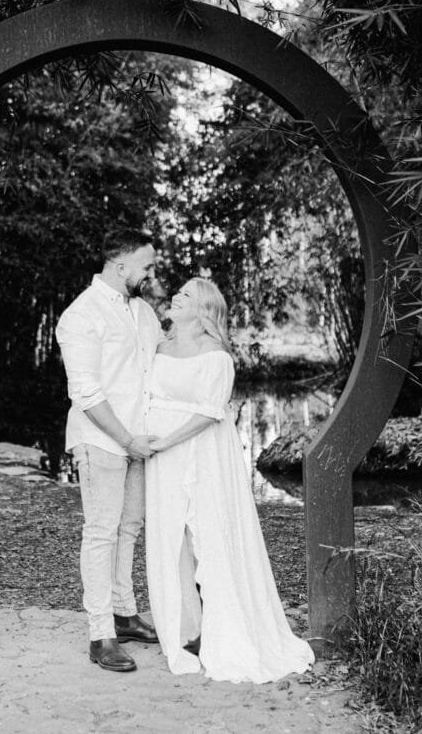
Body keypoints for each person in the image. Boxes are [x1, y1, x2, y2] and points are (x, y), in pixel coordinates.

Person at [144, 277, 315, 683]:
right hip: (160, 461)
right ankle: (188, 629)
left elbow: (209, 412)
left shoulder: (217, 357)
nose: (175, 296)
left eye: (186, 295)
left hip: (202, 454)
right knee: (171, 540)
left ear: (203, 310)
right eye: (178, 292)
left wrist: (164, 441)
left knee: (212, 537)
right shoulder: (159, 347)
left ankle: (227, 629)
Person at [55, 228, 163, 673]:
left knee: (129, 528)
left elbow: (162, 364)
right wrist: (126, 439)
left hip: (140, 440)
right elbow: (86, 393)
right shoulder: (80, 315)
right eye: (147, 266)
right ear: (121, 266)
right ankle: (101, 635)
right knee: (101, 531)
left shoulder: (144, 312)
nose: (152, 273)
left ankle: (124, 613)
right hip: (101, 440)